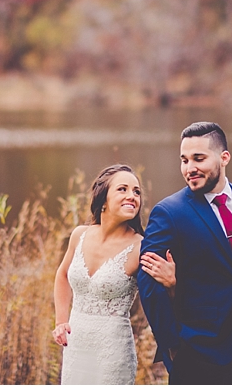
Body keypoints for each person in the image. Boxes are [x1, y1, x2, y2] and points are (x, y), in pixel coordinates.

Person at [138, 122, 232, 385]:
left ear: (224, 158)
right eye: (184, 160)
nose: (189, 168)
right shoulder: (169, 213)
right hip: (197, 353)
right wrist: (173, 344)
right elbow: (149, 283)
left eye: (199, 158)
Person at [52, 165, 175, 385]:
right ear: (104, 199)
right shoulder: (79, 235)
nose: (132, 196)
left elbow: (160, 298)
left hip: (112, 352)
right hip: (76, 346)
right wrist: (61, 321)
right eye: (123, 189)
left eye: (137, 192)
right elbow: (62, 276)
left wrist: (173, 281)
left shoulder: (141, 247)